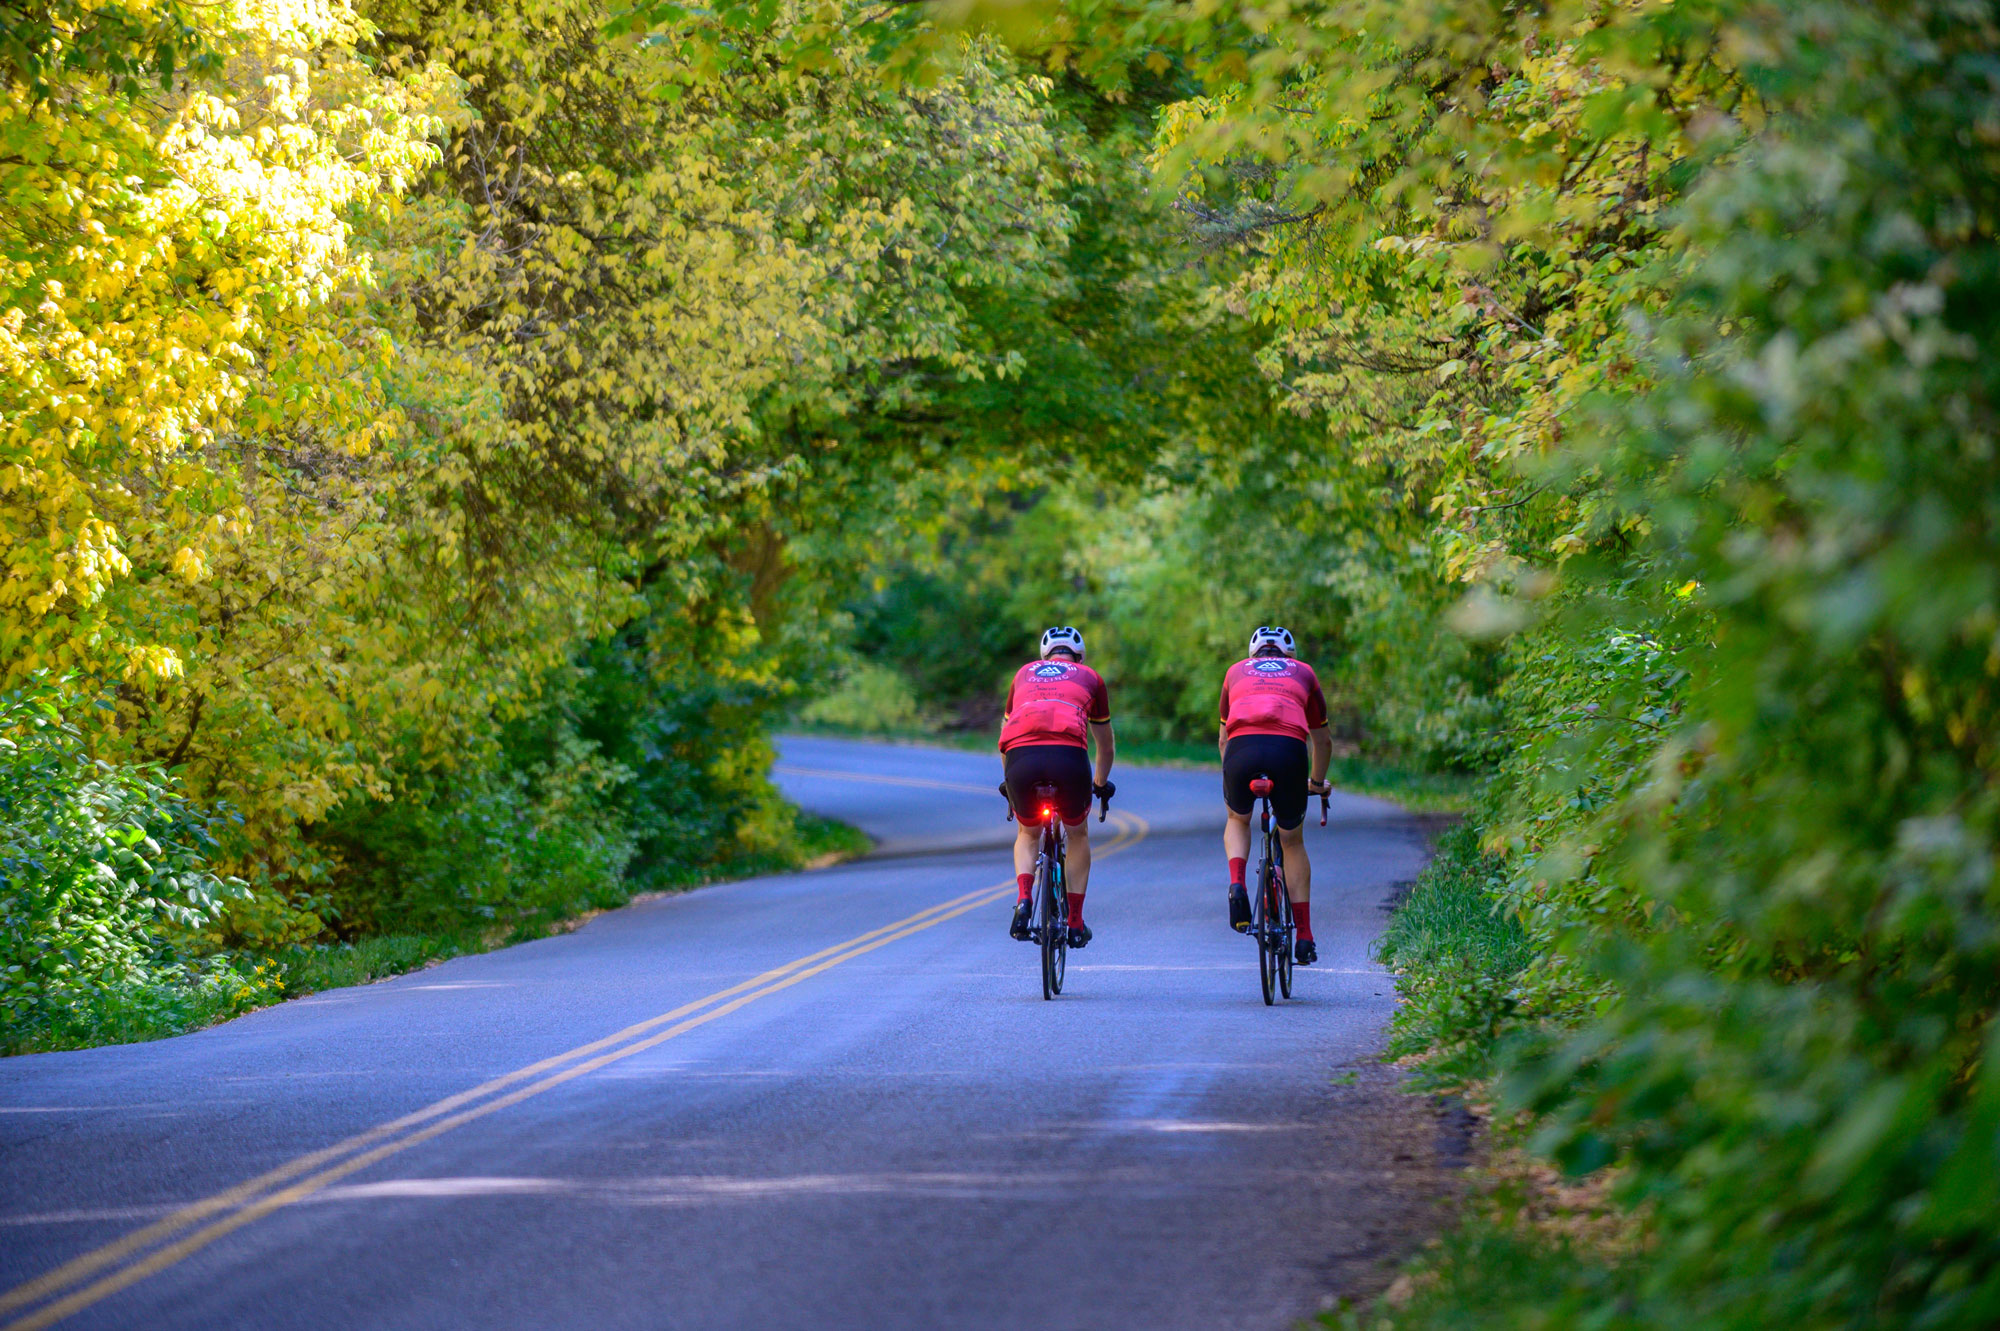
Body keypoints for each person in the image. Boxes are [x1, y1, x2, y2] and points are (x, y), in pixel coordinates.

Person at [1218, 625, 1332, 965]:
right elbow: (1322, 741)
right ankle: (1306, 936)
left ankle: (1237, 883)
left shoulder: (1235, 671)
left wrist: (1232, 775)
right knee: (1292, 840)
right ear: (1290, 656)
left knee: (1238, 818)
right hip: (1288, 751)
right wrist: (1316, 782)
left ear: (1253, 655)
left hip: (1241, 750)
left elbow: (1224, 738)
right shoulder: (1305, 673)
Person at [999, 625, 1115, 947]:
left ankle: (1024, 900)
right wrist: (1100, 785)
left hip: (1022, 759)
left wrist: (1010, 786)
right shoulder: (1090, 677)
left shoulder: (1023, 674)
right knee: (1077, 833)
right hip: (1068, 757)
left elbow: (1005, 738)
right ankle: (1075, 922)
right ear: (1079, 657)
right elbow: (1104, 746)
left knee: (1027, 832)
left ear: (1044, 656)